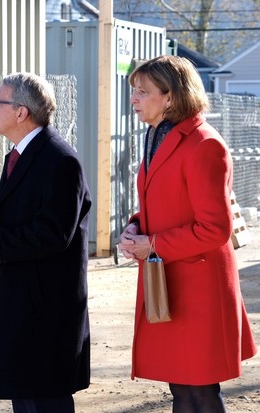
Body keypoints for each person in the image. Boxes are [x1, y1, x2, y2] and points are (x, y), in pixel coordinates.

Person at [117, 55, 257, 412]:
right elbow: (163, 202)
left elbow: (215, 228)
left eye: (142, 91)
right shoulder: (157, 137)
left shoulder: (203, 143)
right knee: (180, 388)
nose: (133, 98)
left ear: (170, 96)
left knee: (200, 391)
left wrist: (152, 244)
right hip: (169, 279)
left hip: (198, 286)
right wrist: (135, 226)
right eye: (134, 90)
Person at [0, 72, 92, 413]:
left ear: (20, 112)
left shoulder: (60, 160)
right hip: (23, 307)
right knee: (26, 398)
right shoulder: (19, 155)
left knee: (46, 402)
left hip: (46, 312)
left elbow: (52, 235)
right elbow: (20, 226)